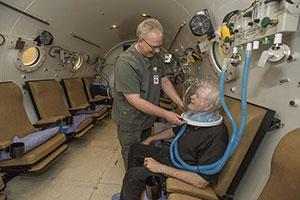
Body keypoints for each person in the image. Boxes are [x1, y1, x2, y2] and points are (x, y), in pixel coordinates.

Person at [114, 81, 228, 200]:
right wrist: (151, 138)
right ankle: (135, 192)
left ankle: (133, 188)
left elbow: (202, 181)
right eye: (195, 94)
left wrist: (160, 168)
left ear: (208, 106)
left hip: (183, 170)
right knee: (135, 148)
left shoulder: (216, 136)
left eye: (198, 96)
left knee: (133, 176)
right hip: (174, 157)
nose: (192, 97)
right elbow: (175, 131)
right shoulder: (196, 119)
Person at [112, 18, 184, 169]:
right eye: (154, 46)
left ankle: (141, 180)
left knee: (144, 152)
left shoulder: (155, 56)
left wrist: (178, 101)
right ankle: (131, 186)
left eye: (160, 46)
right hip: (131, 122)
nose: (158, 50)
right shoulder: (126, 62)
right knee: (132, 155)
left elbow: (164, 81)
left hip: (147, 119)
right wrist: (166, 114)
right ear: (140, 40)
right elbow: (135, 100)